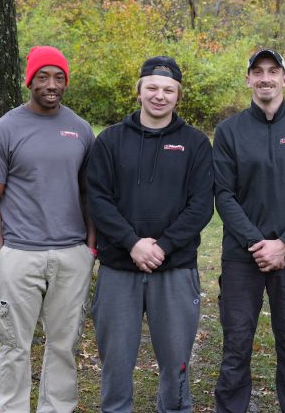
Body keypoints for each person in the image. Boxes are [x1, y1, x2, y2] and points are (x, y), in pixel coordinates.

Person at [0, 46, 96, 412]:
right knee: (13, 345)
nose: (51, 85)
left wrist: (90, 248)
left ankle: (57, 407)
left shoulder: (81, 130)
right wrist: (1, 255)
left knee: (64, 345)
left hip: (71, 255)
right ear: (30, 81)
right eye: (43, 77)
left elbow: (90, 193)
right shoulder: (5, 129)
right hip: (20, 255)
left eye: (59, 77)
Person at [86, 56, 213, 413]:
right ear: (139, 91)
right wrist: (132, 243)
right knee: (115, 360)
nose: (160, 96)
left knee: (176, 360)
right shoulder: (110, 140)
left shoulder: (195, 143)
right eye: (152, 88)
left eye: (168, 90)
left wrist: (163, 246)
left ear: (178, 96)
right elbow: (98, 199)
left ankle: (174, 408)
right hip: (118, 267)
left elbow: (201, 205)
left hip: (175, 268)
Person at [213, 48, 285, 413]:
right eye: (258, 71)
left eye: (273, 71)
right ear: (248, 79)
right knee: (236, 347)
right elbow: (223, 194)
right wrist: (256, 243)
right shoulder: (229, 131)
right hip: (241, 259)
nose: (265, 78)